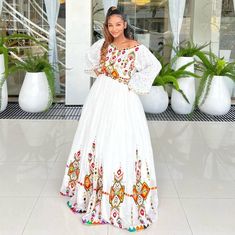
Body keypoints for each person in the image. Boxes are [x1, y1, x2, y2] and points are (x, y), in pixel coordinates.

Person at [60, 6, 162, 232]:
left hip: (123, 99)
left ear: (125, 24)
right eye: (110, 25)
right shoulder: (103, 45)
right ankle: (93, 190)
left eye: (118, 24)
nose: (114, 28)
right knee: (97, 136)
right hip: (100, 97)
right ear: (106, 27)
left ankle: (116, 195)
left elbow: (155, 66)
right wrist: (104, 74)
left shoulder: (136, 48)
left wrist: (131, 81)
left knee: (119, 138)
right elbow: (89, 62)